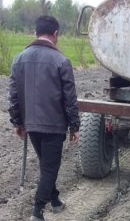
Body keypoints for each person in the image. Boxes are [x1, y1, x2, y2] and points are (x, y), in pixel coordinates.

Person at [8, 15, 80, 221]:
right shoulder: (61, 60)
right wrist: (74, 126)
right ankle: (37, 212)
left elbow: (13, 95)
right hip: (54, 125)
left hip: (31, 124)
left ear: (35, 33)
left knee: (47, 165)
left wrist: (18, 123)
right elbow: (70, 98)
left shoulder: (19, 59)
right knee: (49, 167)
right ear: (55, 34)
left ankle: (55, 201)